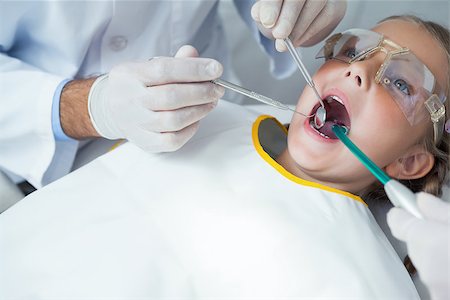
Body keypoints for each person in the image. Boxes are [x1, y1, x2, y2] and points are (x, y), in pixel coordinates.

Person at [0, 14, 448, 298]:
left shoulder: (363, 279)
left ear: (409, 164)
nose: (357, 68)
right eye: (353, 49)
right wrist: (92, 106)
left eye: (402, 83)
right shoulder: (213, 118)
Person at [0, 0, 347, 191]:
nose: (357, 75)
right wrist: (92, 107)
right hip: (48, 158)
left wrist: (293, 8)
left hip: (215, 119)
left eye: (399, 83)